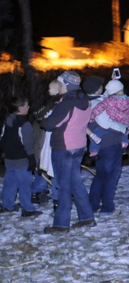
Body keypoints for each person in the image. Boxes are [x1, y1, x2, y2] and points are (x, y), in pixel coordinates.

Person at [41, 71, 95, 233]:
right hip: (79, 146)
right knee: (75, 182)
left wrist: (43, 118)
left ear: (65, 84)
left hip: (63, 147)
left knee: (63, 186)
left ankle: (61, 224)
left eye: (60, 83)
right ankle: (87, 217)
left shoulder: (66, 103)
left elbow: (50, 124)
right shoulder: (84, 100)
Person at [87, 79, 129, 215]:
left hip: (101, 143)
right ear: (97, 89)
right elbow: (104, 122)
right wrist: (123, 129)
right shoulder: (97, 103)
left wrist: (113, 81)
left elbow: (108, 96)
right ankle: (107, 206)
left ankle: (93, 205)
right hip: (110, 142)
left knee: (101, 175)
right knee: (111, 175)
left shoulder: (93, 101)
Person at [1, 95, 42, 217]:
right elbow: (27, 142)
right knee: (25, 184)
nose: (28, 107)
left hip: (9, 158)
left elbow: (2, 138)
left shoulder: (7, 120)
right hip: (22, 159)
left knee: (10, 182)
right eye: (26, 105)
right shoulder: (25, 124)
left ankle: (7, 205)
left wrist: (6, 152)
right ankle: (27, 208)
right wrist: (31, 157)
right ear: (20, 108)